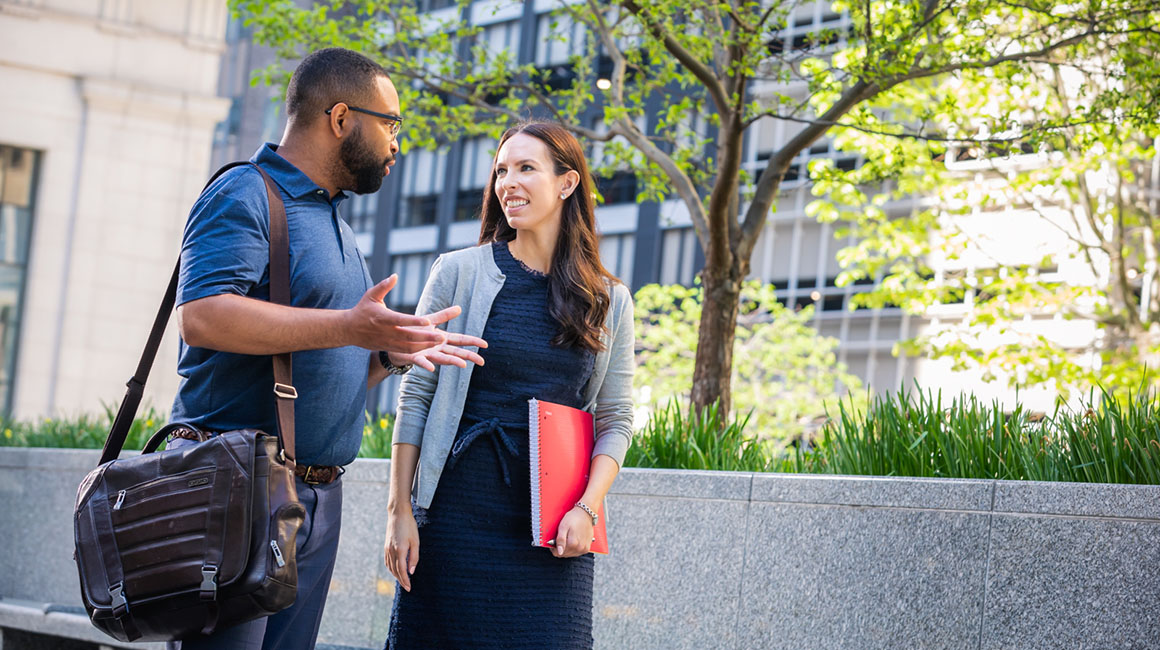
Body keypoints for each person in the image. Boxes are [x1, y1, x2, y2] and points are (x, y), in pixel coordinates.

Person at [165, 47, 487, 650]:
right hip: (238, 491)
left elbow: (321, 358)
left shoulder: (335, 222)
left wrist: (389, 354)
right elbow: (203, 317)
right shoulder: (245, 192)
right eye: (389, 124)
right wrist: (350, 326)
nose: (397, 143)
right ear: (341, 118)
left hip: (315, 498)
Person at [383, 121, 636, 649]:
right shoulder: (457, 272)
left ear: (567, 184)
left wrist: (587, 509)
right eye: (501, 170)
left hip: (555, 525)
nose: (508, 182)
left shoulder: (609, 301)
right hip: (455, 516)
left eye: (526, 168)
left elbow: (616, 417)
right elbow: (416, 396)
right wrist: (400, 511)